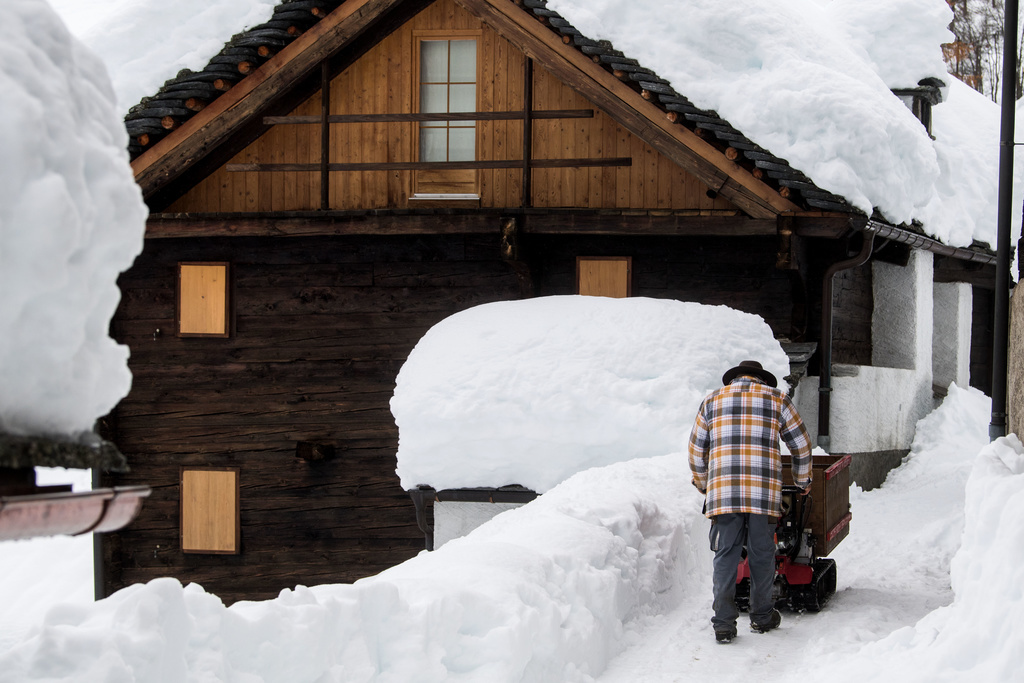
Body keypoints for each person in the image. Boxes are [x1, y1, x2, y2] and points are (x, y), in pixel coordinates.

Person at [687, 359, 812, 644]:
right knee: (762, 553)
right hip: (763, 493)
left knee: (725, 554)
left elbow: (696, 451)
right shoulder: (778, 398)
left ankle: (723, 624)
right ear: (762, 379)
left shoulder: (711, 400)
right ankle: (762, 616)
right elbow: (801, 445)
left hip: (724, 493)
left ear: (736, 378)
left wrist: (706, 485)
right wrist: (803, 481)